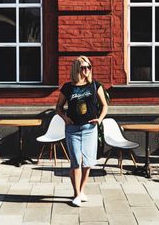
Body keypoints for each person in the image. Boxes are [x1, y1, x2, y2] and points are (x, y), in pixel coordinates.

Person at [56, 55, 108, 207]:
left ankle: (81, 191)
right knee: (75, 162)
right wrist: (65, 118)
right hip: (72, 129)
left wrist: (100, 119)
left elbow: (104, 105)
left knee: (87, 162)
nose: (86, 70)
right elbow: (58, 107)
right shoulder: (68, 87)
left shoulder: (94, 86)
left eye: (89, 67)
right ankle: (76, 193)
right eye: (83, 67)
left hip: (89, 129)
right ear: (76, 69)